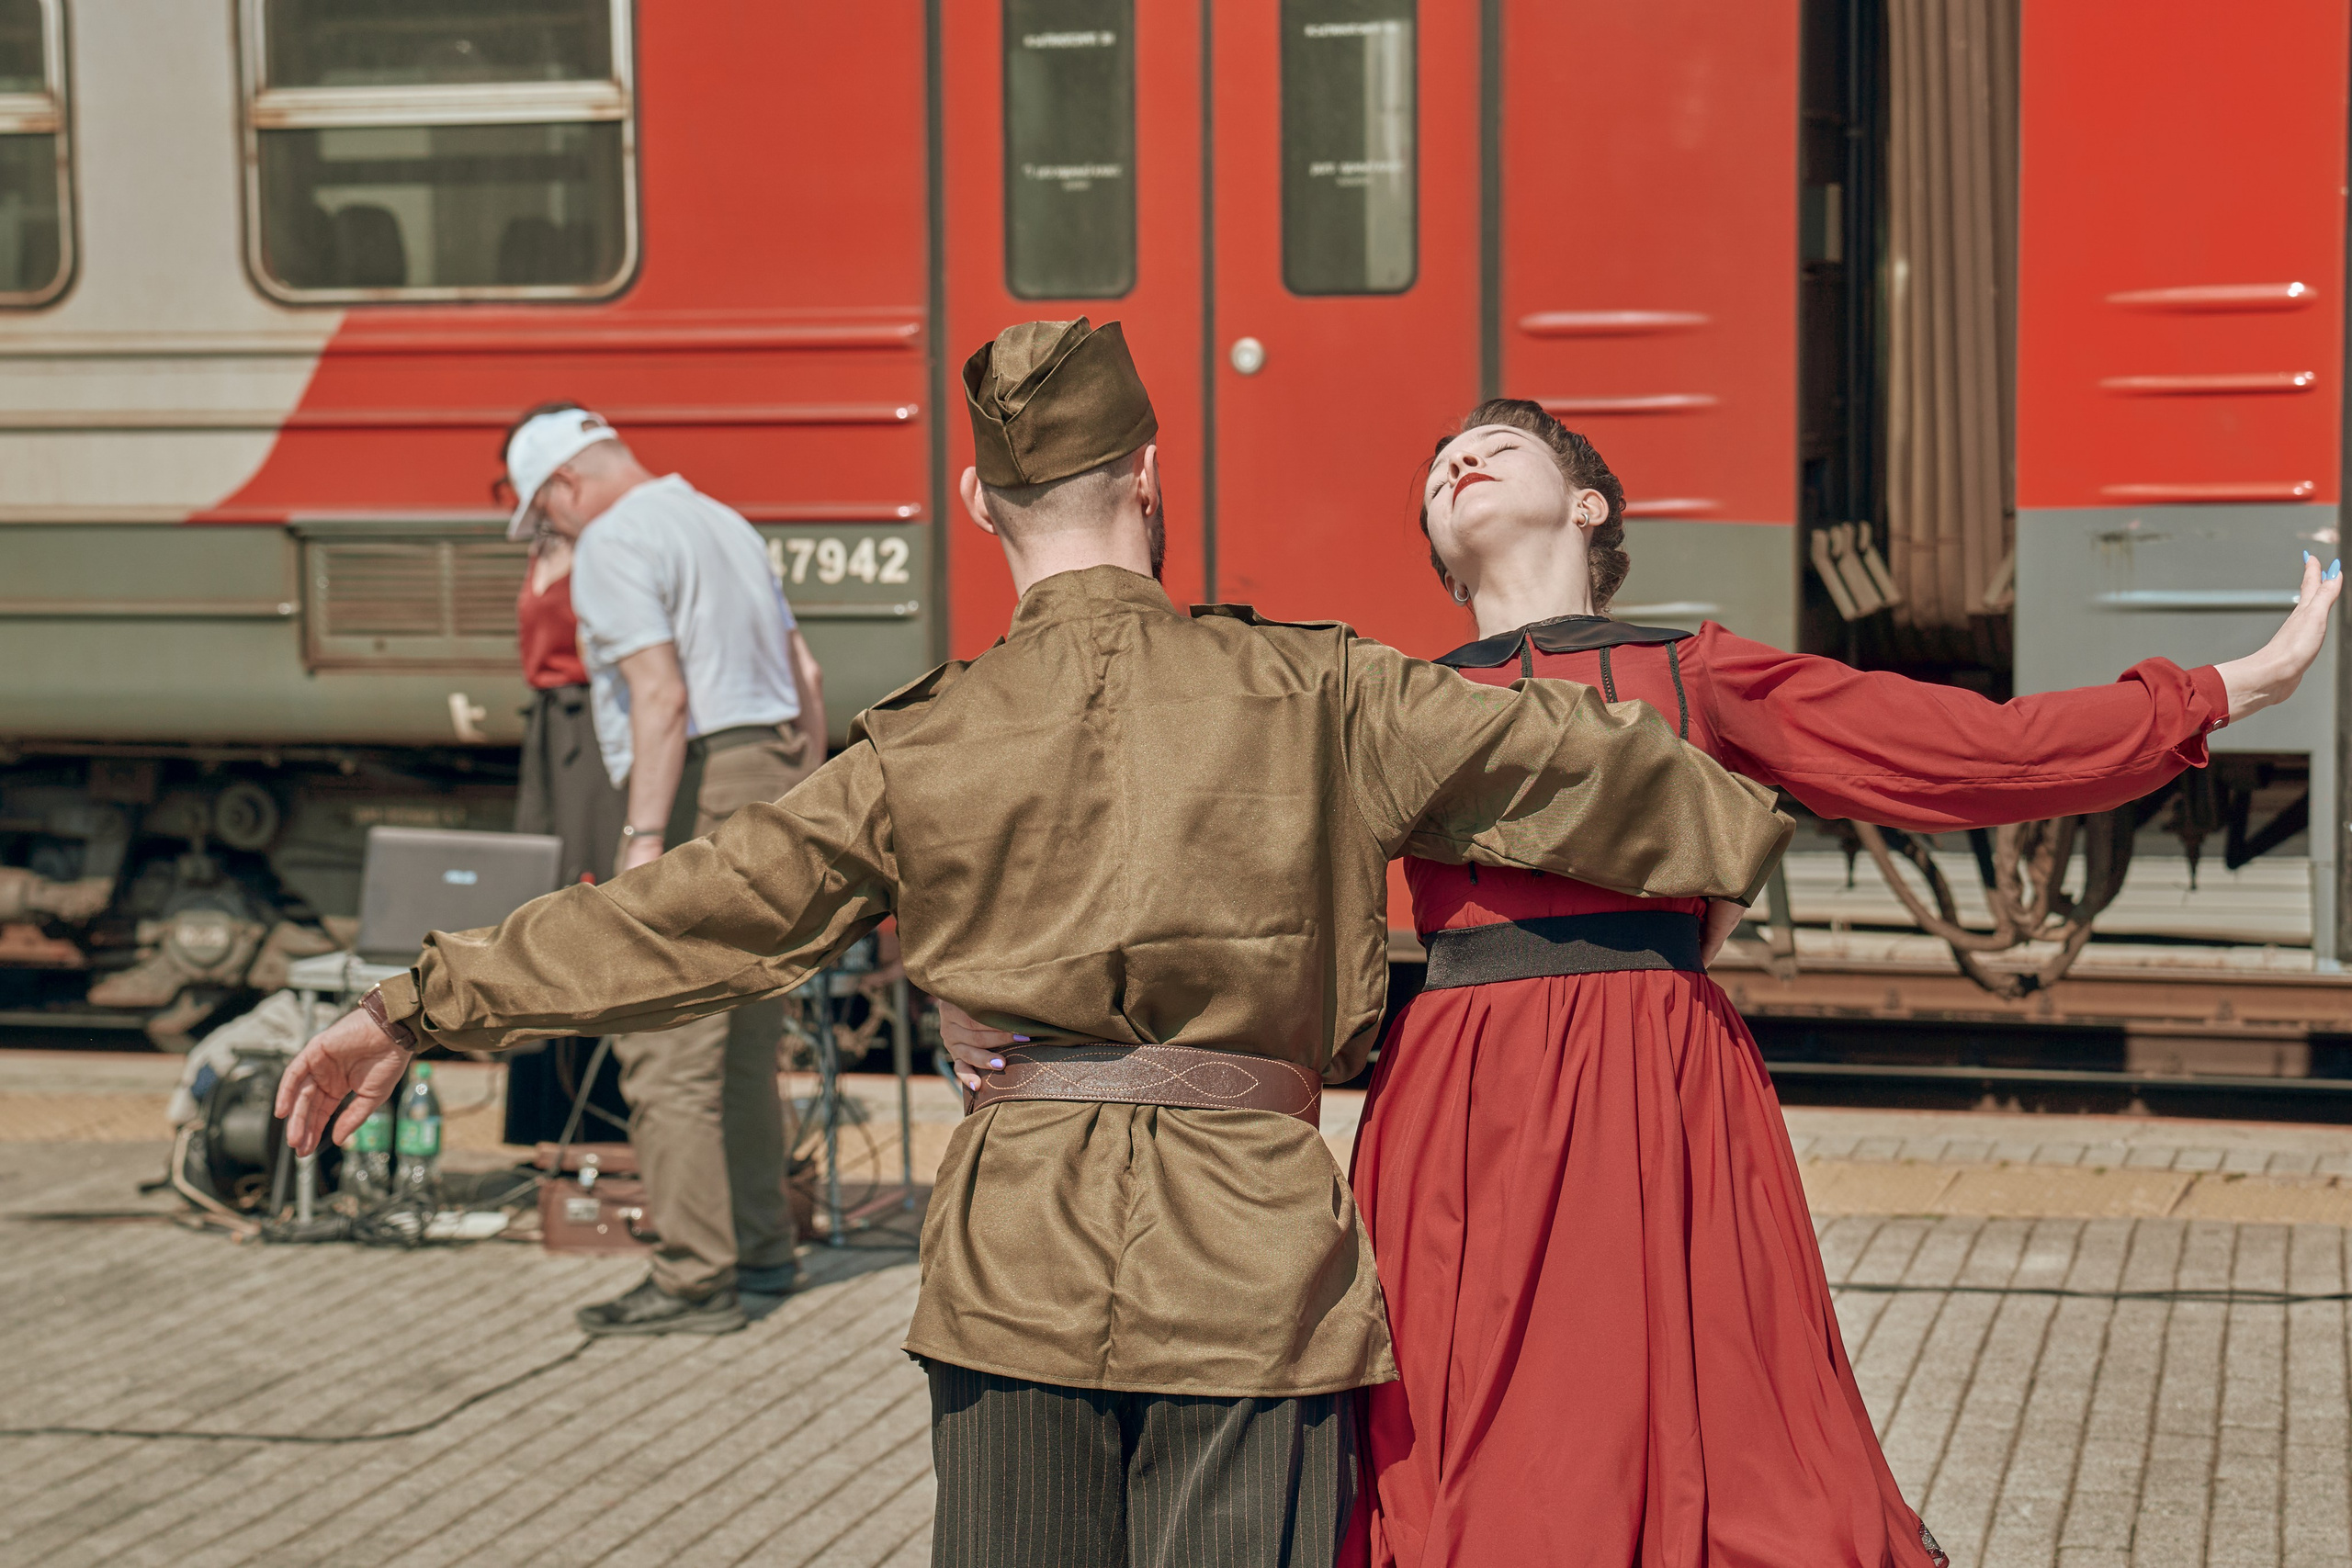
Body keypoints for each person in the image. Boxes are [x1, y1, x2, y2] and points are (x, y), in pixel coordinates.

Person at [277, 321, 1796, 1568]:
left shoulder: (922, 746)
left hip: (1014, 1257)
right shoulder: (1326, 690)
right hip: (1254, 1263)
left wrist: (415, 1006)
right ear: (1151, 475)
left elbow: (686, 914)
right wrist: (1728, 856)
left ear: (974, 500)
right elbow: (1621, 775)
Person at [1353, 400, 2337, 1567]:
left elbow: (1980, 749)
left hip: (1652, 1078)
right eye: (1437, 466)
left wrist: (2226, 688)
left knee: (1708, 1434)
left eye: (1495, 444)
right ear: (1431, 545)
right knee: (1463, 1442)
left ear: (1588, 504)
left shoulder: (1697, 671)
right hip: (1462, 1101)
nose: (1458, 457)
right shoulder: (1382, 698)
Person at [500, 401, 829, 1336]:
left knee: (663, 1047)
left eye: (543, 516)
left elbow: (658, 691)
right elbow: (803, 672)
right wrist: (803, 796)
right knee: (742, 1046)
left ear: (565, 485)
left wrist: (644, 838)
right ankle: (763, 1254)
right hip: (772, 775)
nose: (550, 536)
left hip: (699, 789)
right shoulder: (720, 519)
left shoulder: (611, 542)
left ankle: (694, 1278)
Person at [503, 491, 628, 1146]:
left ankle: (606, 1114)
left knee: (590, 897)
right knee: (537, 898)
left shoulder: (604, 545)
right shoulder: (541, 546)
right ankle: (541, 1116)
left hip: (593, 727)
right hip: (548, 731)